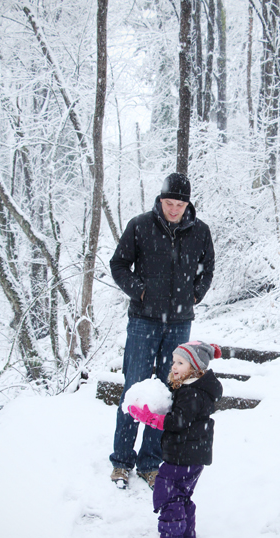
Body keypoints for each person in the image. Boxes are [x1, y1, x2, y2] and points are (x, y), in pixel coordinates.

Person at [109, 173, 215, 490]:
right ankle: (122, 461)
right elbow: (118, 264)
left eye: (179, 204)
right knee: (135, 386)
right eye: (169, 203)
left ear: (187, 204)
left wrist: (194, 295)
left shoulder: (200, 232)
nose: (173, 209)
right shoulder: (140, 226)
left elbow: (207, 268)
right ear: (161, 199)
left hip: (180, 321)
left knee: (169, 390)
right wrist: (139, 291)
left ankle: (150, 462)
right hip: (143, 319)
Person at [128, 341, 223, 538]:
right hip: (192, 455)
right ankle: (185, 532)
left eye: (180, 362)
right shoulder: (195, 388)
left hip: (184, 454)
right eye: (173, 361)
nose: (174, 366)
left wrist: (152, 419)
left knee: (169, 491)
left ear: (195, 367)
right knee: (181, 494)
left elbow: (178, 422)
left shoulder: (192, 393)